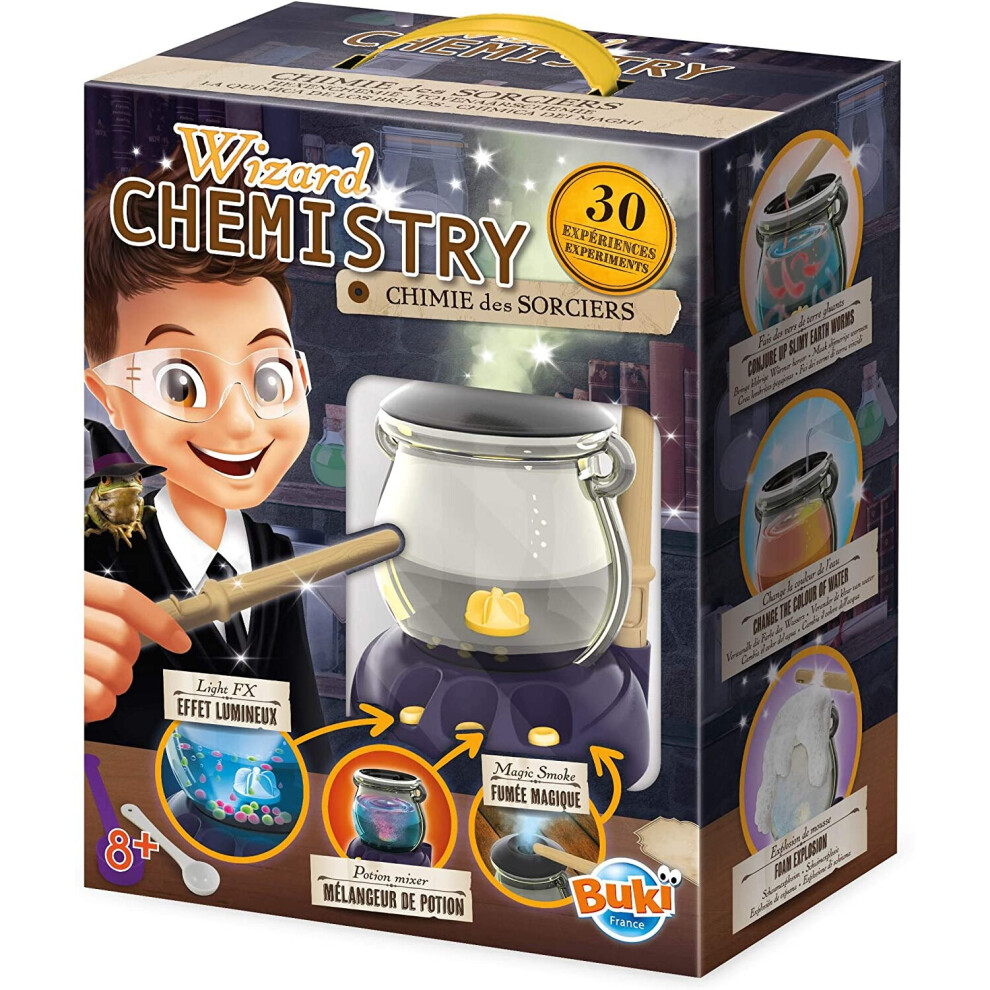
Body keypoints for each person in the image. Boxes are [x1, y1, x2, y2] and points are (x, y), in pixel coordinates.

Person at [83, 155, 329, 767]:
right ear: (109, 395)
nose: (241, 422)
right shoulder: (93, 559)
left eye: (269, 378)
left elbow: (309, 741)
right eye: (181, 384)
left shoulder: (275, 557)